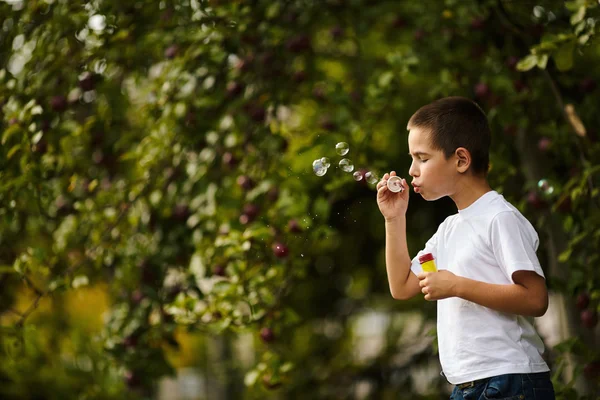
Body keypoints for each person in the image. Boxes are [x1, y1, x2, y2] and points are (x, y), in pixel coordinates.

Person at [376, 96, 555, 399]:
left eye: (422, 158)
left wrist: (457, 285)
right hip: (468, 386)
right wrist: (394, 220)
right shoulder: (449, 230)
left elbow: (536, 299)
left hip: (509, 381)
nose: (411, 170)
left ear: (461, 160)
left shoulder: (499, 218)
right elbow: (403, 286)